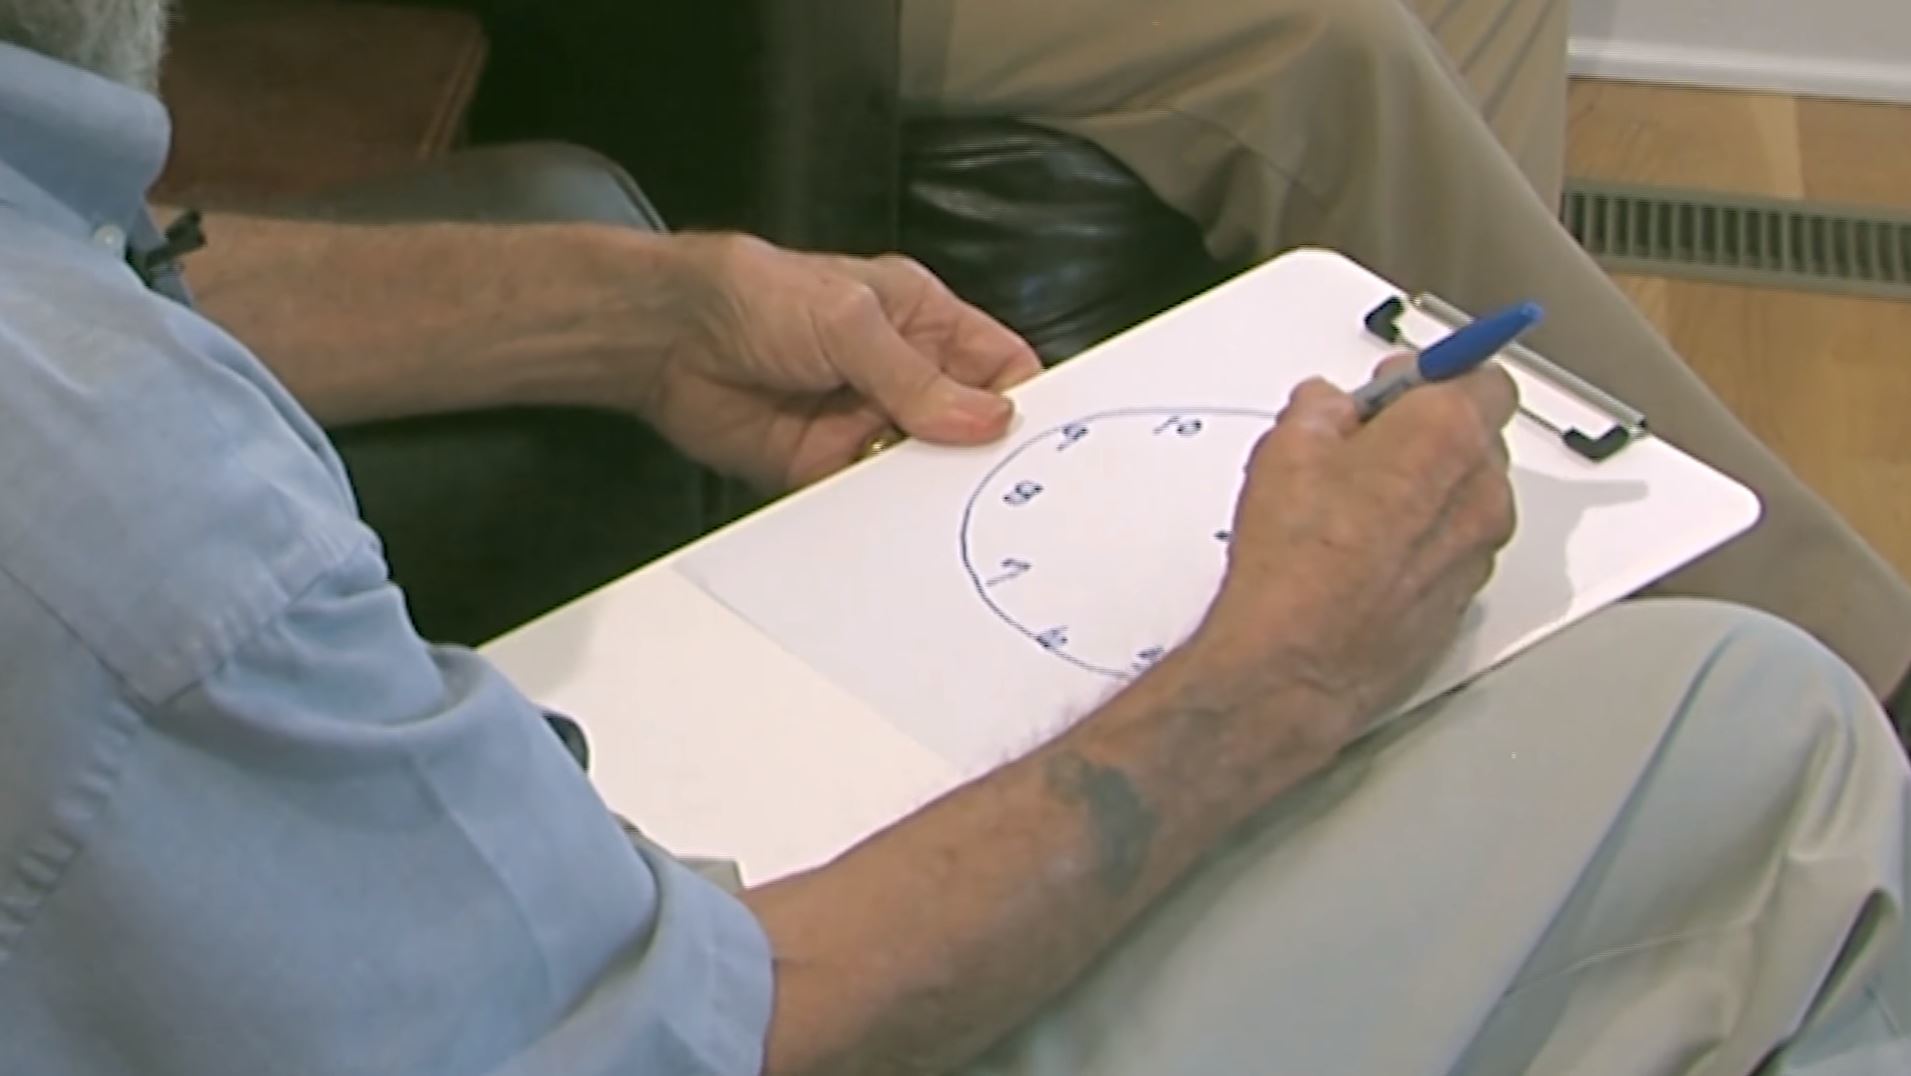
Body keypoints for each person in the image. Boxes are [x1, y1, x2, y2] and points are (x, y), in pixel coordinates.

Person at [1, 6, 1908, 1076]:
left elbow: (116, 268)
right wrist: (1278, 675)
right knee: (1770, 732)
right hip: (715, 1011)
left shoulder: (73, 331)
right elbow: (715, 1034)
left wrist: (646, 312)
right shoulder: (124, 519)